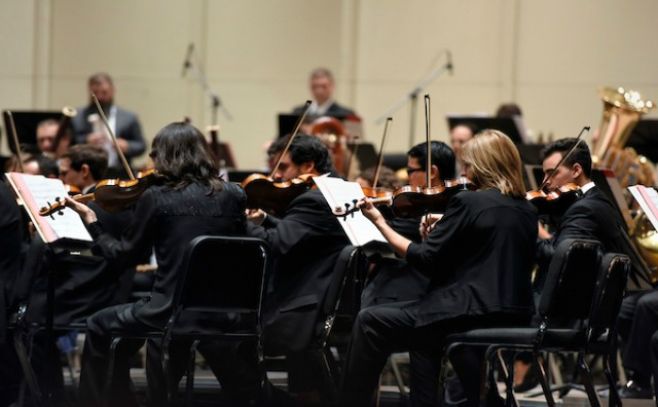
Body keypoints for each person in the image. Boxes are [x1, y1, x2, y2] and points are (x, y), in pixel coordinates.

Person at [342, 130, 537, 406]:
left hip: (468, 312)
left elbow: (424, 258)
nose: (465, 172)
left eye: (468, 165)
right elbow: (479, 255)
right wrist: (444, 229)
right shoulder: (526, 209)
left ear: (482, 165)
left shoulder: (469, 201)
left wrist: (379, 222)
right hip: (512, 313)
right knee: (424, 332)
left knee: (370, 320)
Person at [65, 122, 249, 407]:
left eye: (155, 155)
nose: (152, 162)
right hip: (223, 313)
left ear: (166, 157)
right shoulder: (235, 195)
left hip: (167, 312)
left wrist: (94, 223)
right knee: (135, 334)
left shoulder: (157, 197)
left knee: (99, 324)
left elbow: (124, 256)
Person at [247, 135, 350, 402]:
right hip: (324, 299)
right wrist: (267, 219)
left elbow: (278, 243)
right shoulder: (339, 190)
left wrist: (239, 220)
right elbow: (305, 232)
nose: (278, 177)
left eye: (284, 167)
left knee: (224, 335)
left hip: (302, 308)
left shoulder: (313, 200)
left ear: (307, 167)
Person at [71, 72, 146, 176]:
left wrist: (127, 146)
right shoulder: (78, 116)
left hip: (120, 172)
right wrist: (85, 140)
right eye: (95, 93)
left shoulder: (129, 117)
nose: (100, 97)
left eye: (104, 92)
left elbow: (141, 145)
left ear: (113, 90)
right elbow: (69, 143)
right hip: (88, 174)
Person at [292, 68, 356, 120]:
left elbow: (354, 135)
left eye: (323, 86)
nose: (319, 91)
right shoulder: (298, 112)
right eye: (315, 86)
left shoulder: (347, 114)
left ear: (332, 86)